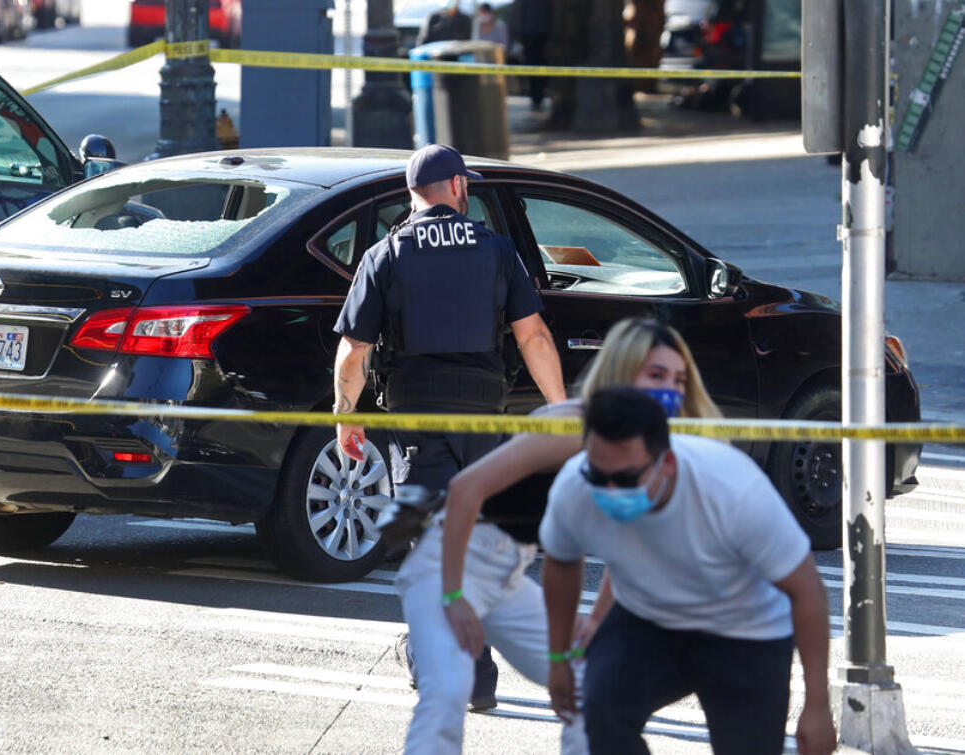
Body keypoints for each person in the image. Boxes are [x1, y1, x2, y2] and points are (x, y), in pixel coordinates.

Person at [332, 143, 566, 753]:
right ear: (458, 187)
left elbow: (353, 352)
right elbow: (533, 335)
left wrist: (345, 417)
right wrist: (560, 406)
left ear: (413, 196)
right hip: (482, 416)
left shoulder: (384, 254)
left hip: (416, 417)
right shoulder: (494, 249)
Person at [433, 317, 720, 753]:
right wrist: (453, 597)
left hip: (520, 560)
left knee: (594, 691)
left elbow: (624, 544)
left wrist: (599, 618)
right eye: (655, 375)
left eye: (677, 379)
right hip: (474, 558)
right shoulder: (574, 427)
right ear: (623, 375)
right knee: (586, 693)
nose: (669, 391)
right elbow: (463, 490)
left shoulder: (643, 441)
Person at [541, 386, 836, 755]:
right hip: (647, 621)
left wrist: (818, 704)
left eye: (627, 478)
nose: (611, 490)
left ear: (667, 463)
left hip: (745, 632)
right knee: (598, 716)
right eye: (600, 477)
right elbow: (561, 561)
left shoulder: (731, 488)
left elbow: (807, 590)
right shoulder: (575, 485)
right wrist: (557, 660)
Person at [507, 0, 552, 110]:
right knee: (532, 66)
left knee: (541, 66)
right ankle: (536, 97)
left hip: (543, 35)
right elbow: (517, 15)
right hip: (528, 35)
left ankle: (538, 95)